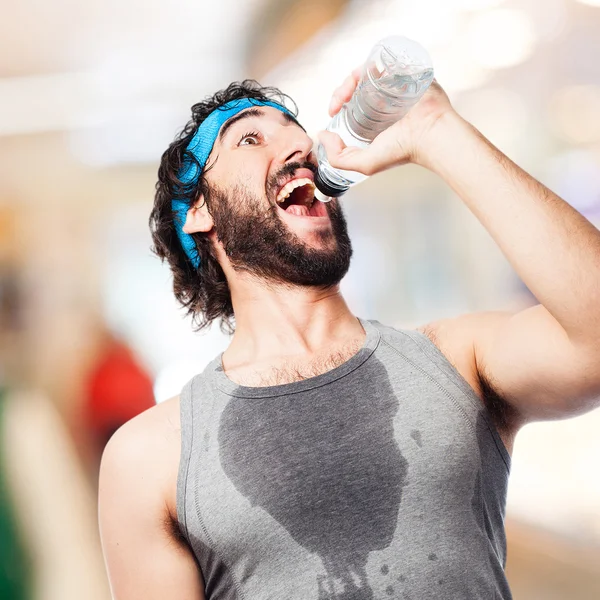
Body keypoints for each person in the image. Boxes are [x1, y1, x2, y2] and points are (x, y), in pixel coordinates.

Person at [98, 74, 600, 600]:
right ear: (199, 211)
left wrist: (439, 131)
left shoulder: (455, 360)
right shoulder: (152, 455)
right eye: (251, 138)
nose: (300, 145)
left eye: (295, 130)